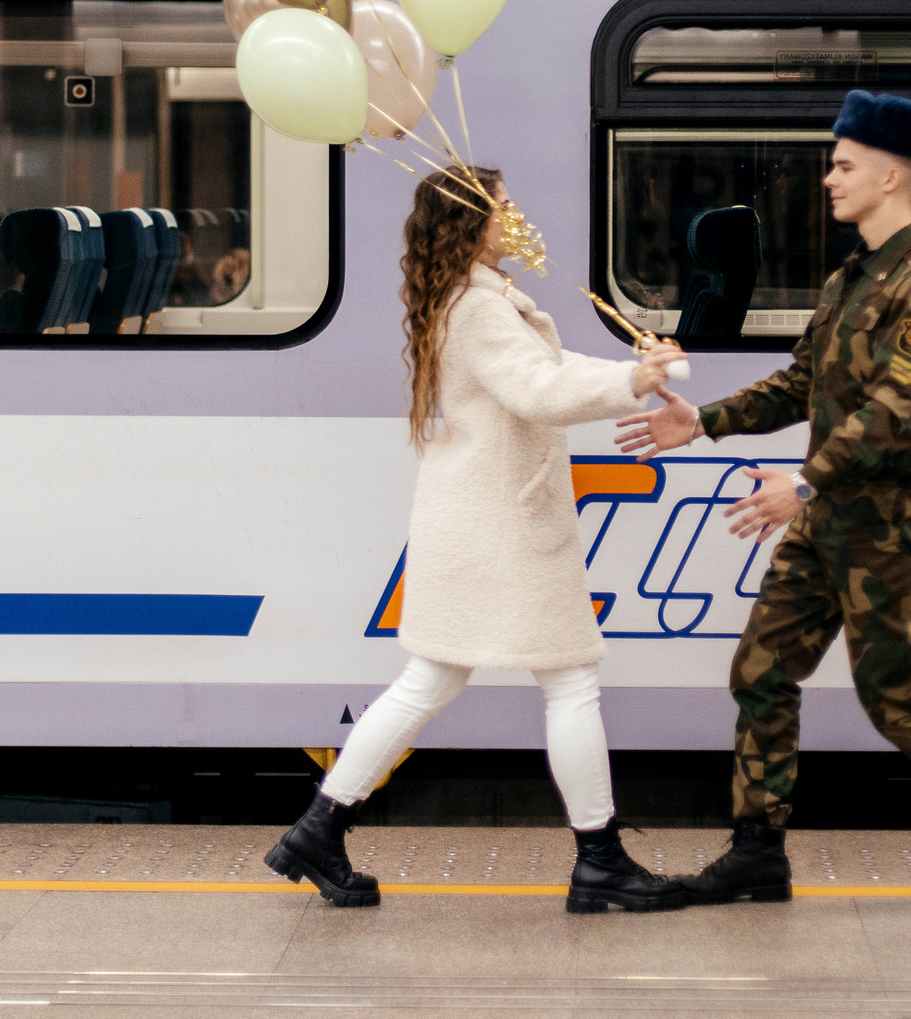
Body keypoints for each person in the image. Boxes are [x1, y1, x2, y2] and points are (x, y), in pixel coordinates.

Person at [618, 90, 911, 906]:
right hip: (826, 516)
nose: (828, 179)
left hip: (881, 519)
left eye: (843, 165)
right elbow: (803, 384)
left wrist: (805, 480)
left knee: (892, 695)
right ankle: (757, 849)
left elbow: (896, 411)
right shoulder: (853, 275)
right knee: (760, 669)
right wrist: (701, 422)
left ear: (891, 175)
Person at [268, 165, 689, 915]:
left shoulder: (467, 298)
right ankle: (600, 861)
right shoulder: (482, 308)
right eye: (502, 207)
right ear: (472, 222)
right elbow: (540, 391)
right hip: (507, 528)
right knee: (568, 680)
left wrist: (636, 371)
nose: (514, 216)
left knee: (428, 683)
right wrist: (632, 380)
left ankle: (318, 829)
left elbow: (548, 370)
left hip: (475, 522)